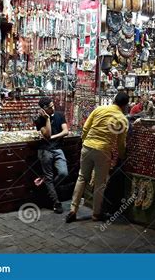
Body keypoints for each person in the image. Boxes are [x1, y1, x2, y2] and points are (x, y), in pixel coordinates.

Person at [66, 92, 129, 223]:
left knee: (82, 177)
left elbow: (85, 127)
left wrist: (85, 141)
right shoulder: (122, 119)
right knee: (100, 184)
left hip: (87, 147)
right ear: (125, 106)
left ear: (114, 100)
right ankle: (96, 214)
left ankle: (73, 210)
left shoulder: (99, 109)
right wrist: (122, 156)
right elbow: (121, 143)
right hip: (103, 151)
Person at [35, 97, 69, 213]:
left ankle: (49, 187)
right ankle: (56, 202)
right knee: (49, 176)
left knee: (63, 173)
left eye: (53, 105)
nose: (53, 108)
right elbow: (47, 133)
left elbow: (65, 131)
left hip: (58, 148)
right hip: (45, 150)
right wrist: (47, 119)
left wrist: (52, 138)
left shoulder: (59, 115)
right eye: (50, 107)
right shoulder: (39, 120)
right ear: (44, 109)